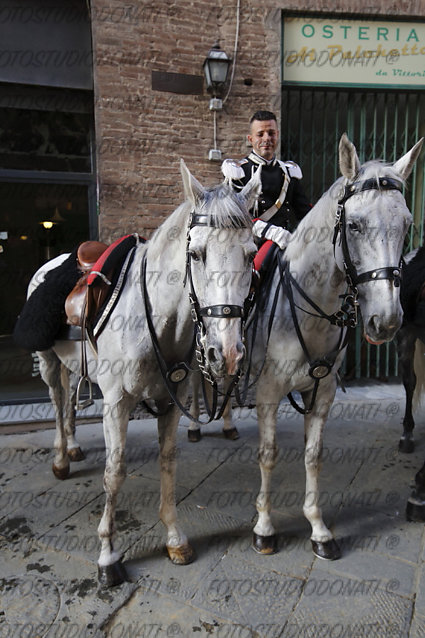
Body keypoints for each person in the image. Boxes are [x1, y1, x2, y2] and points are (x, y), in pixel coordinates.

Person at [221, 109, 311, 249]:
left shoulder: (288, 172)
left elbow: (305, 212)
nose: (266, 138)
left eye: (271, 133)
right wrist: (271, 232)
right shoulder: (238, 172)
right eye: (260, 134)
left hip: (283, 243)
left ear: (277, 135)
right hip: (249, 245)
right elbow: (232, 216)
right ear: (250, 139)